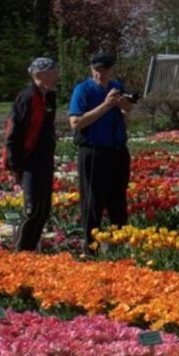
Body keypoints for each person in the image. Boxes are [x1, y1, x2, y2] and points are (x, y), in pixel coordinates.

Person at [68, 52, 136, 251]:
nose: (101, 74)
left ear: (111, 70)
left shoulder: (117, 87)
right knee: (93, 201)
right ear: (91, 70)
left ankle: (118, 246)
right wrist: (106, 105)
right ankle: (91, 248)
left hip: (117, 150)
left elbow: (127, 114)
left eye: (104, 70)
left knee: (118, 200)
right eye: (97, 70)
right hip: (94, 150)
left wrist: (124, 105)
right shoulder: (83, 90)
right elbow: (76, 122)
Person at [4, 57, 59, 251]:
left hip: (44, 159)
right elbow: (13, 133)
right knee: (33, 209)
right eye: (52, 72)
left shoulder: (49, 97)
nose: (56, 76)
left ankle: (30, 250)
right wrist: (13, 166)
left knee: (43, 209)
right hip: (29, 160)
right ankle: (21, 253)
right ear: (38, 75)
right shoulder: (27, 98)